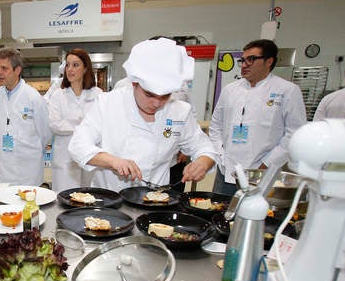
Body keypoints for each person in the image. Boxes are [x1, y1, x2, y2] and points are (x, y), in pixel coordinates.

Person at [69, 38, 217, 192]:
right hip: (110, 200)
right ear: (134, 83)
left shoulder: (179, 111)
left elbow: (205, 147)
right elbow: (78, 146)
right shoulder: (108, 103)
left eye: (165, 96)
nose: (156, 103)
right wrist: (113, 161)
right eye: (149, 94)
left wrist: (202, 163)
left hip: (154, 201)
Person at [209, 39, 306, 196]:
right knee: (221, 211)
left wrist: (267, 164)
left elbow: (294, 134)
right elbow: (216, 126)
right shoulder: (230, 90)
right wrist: (220, 155)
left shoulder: (287, 90)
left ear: (269, 61)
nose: (244, 64)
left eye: (251, 59)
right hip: (226, 169)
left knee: (256, 213)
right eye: (243, 60)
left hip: (262, 171)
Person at [0, 47, 52, 185]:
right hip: (4, 166)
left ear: (17, 70)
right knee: (3, 204)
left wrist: (27, 146)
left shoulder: (33, 96)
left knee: (27, 203)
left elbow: (46, 133)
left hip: (28, 167)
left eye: (4, 68)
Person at [48, 49, 102, 191]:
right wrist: (84, 125)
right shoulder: (58, 95)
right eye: (68, 65)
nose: (70, 69)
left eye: (75, 65)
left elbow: (103, 125)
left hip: (91, 157)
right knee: (64, 200)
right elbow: (54, 124)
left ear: (85, 69)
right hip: (65, 159)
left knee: (89, 199)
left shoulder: (98, 95)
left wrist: (73, 124)